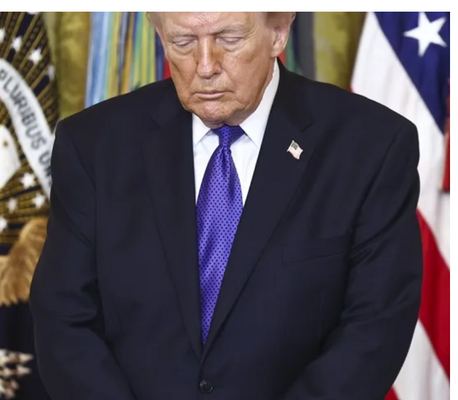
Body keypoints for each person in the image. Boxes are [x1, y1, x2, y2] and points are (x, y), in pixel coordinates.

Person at [29, 12, 422, 400]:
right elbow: (64, 319)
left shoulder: (371, 146)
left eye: (229, 40)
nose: (205, 66)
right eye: (183, 42)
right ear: (161, 37)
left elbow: (374, 327)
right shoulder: (93, 144)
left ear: (278, 32)